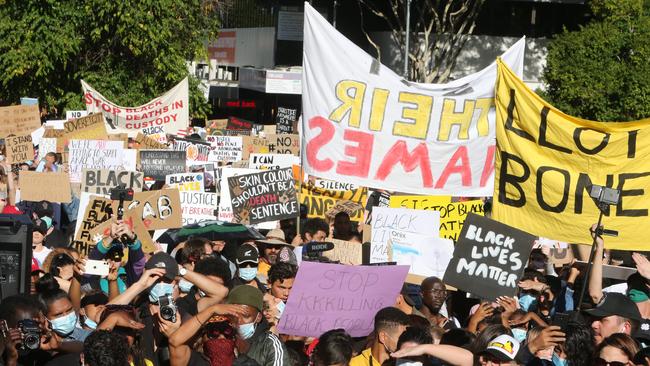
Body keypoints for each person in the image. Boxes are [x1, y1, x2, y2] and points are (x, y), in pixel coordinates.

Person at [226, 285, 289, 366]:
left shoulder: (270, 345)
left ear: (258, 317)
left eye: (246, 316)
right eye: (234, 315)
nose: (239, 321)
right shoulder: (218, 337)